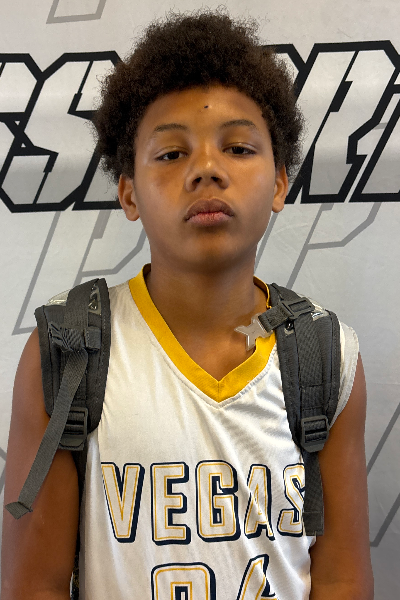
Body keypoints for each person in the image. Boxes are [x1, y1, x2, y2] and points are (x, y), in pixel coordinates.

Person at [1, 7, 373, 599]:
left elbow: (343, 579)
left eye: (239, 148)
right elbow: (33, 586)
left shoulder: (327, 357)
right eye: (172, 154)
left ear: (279, 182)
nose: (206, 169)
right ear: (129, 192)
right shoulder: (67, 351)